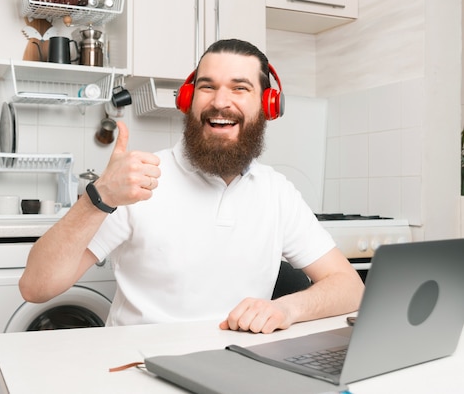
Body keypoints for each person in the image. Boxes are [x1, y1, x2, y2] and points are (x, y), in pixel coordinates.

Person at [20, 39, 365, 334]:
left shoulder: (277, 191)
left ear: (268, 105)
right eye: (207, 86)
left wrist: (287, 310)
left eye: (240, 88)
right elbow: (36, 287)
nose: (219, 101)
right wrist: (98, 197)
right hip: (137, 366)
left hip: (233, 363)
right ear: (188, 100)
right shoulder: (138, 180)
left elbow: (349, 287)